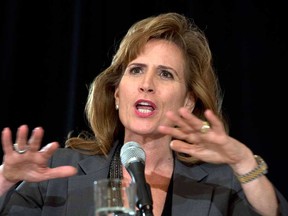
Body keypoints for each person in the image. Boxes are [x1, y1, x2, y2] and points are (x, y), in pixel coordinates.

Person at [0, 12, 287, 216]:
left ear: (188, 101)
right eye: (136, 70)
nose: (147, 84)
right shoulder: (58, 172)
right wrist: (5, 180)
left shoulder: (219, 183)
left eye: (165, 74)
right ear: (116, 94)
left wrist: (243, 161)